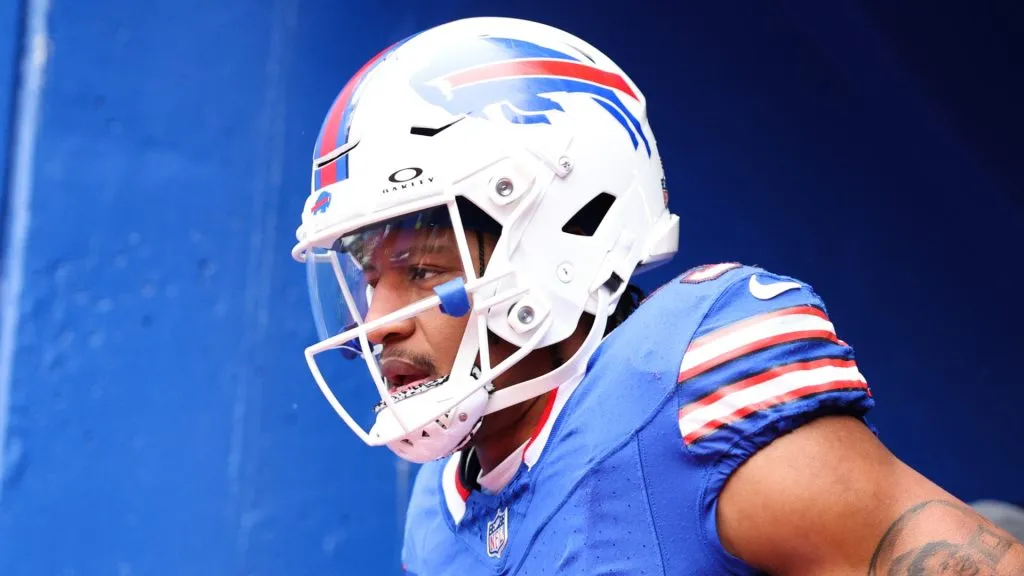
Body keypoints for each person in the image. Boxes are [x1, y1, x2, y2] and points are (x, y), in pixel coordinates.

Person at [291, 16, 1024, 575]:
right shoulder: (439, 512)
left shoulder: (677, 395)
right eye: (368, 278)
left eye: (420, 271)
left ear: (561, 233)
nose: (379, 323)